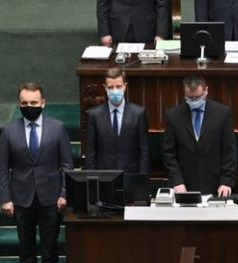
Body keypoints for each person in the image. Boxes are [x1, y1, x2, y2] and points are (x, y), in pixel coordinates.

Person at [0, 82, 73, 263]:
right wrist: (5, 198)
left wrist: (64, 194)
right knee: (26, 252)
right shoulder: (8, 131)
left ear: (43, 103)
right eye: (24, 103)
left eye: (33, 103)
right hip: (21, 198)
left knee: (50, 251)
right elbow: (2, 167)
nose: (29, 107)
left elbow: (66, 164)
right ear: (19, 104)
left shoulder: (57, 128)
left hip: (51, 197)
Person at [163, 76, 237, 196]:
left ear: (206, 91)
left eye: (198, 97)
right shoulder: (174, 116)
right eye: (190, 98)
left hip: (216, 185)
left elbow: (229, 151)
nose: (194, 101)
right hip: (184, 186)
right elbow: (169, 154)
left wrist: (227, 181)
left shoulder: (222, 113)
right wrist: (177, 182)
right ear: (185, 93)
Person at [85, 68, 150, 174]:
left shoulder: (138, 113)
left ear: (125, 86)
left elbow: (144, 151)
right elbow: (91, 153)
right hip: (104, 177)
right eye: (111, 87)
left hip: (131, 176)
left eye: (118, 86)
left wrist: (142, 181)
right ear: (105, 88)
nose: (115, 90)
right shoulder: (94, 115)